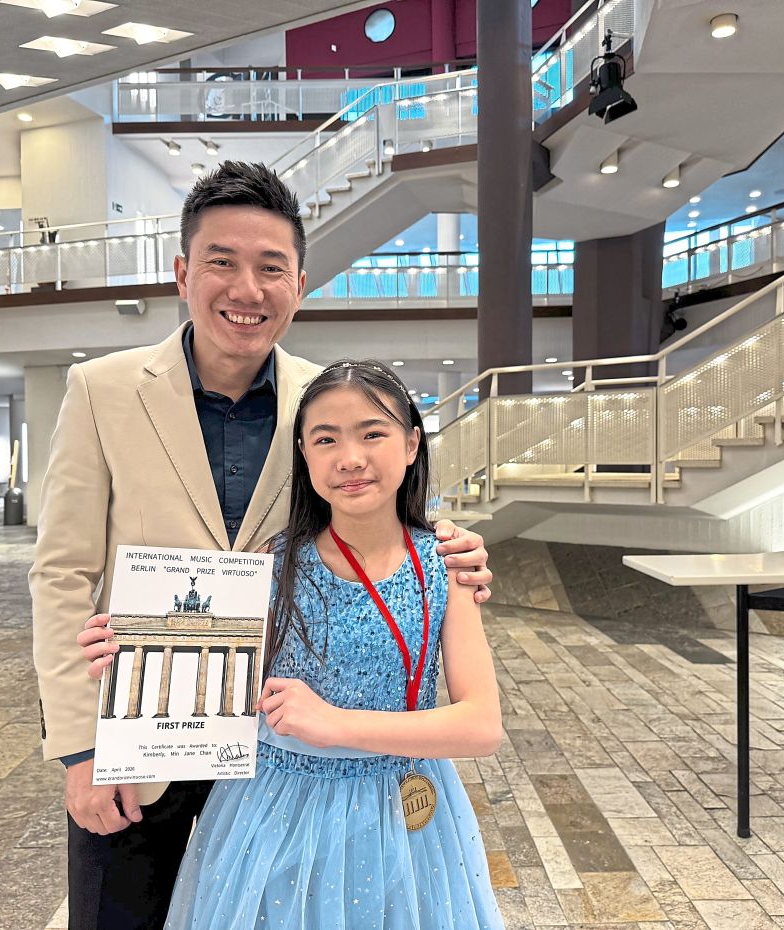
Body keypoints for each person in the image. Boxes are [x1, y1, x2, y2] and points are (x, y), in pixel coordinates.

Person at [29, 161, 493, 930]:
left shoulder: (327, 402)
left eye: (270, 268)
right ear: (183, 272)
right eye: (222, 262)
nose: (247, 290)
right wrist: (81, 750)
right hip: (144, 742)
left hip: (284, 756)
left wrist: (450, 545)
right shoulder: (102, 390)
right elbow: (61, 576)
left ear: (299, 285)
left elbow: (378, 511)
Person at [79, 361, 505, 930]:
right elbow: (215, 684)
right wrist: (129, 662)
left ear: (410, 445)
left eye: (373, 433)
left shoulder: (445, 566)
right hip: (276, 815)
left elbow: (481, 726)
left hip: (407, 818)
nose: (350, 458)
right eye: (325, 439)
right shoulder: (268, 569)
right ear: (304, 456)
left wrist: (331, 723)